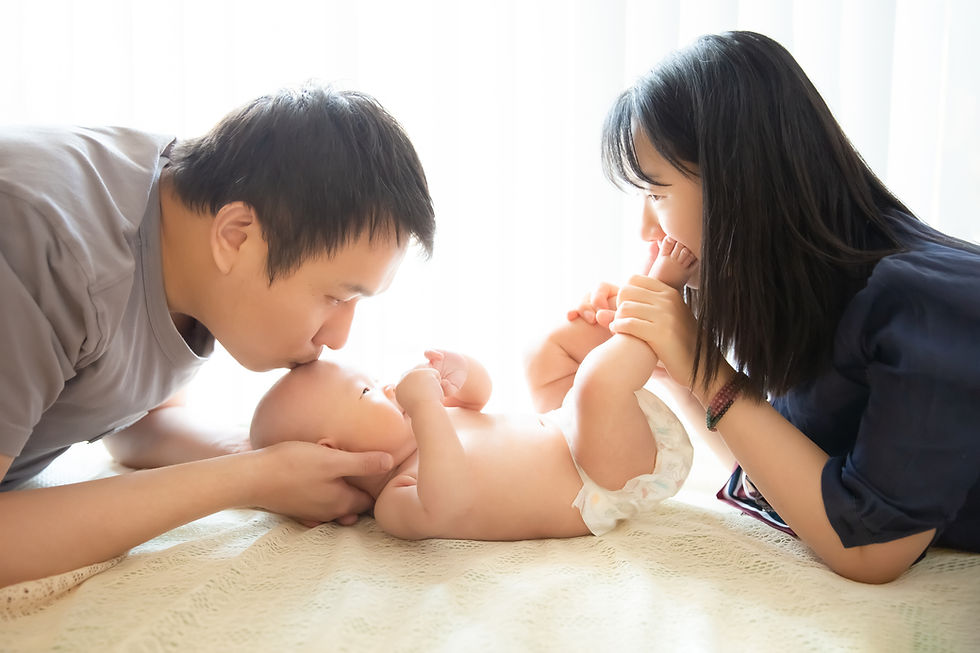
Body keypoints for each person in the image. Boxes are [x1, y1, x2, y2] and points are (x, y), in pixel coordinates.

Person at [574, 30, 980, 583]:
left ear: (740, 183)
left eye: (657, 193)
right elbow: (787, 483)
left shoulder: (918, 306)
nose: (648, 229)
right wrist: (680, 369)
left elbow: (871, 549)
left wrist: (705, 367)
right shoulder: (824, 295)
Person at [0, 83, 435, 587]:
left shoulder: (183, 227)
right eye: (335, 297)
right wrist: (249, 478)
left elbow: (136, 425)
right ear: (236, 236)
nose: (339, 338)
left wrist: (272, 462)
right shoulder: (46, 248)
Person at [249, 242, 696, 540]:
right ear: (334, 453)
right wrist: (426, 408)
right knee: (595, 387)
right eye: (366, 393)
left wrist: (461, 372)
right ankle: (659, 297)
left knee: (543, 354)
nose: (385, 386)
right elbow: (451, 500)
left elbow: (480, 399)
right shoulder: (396, 501)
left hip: (568, 428)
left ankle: (626, 319)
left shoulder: (425, 424)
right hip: (601, 478)